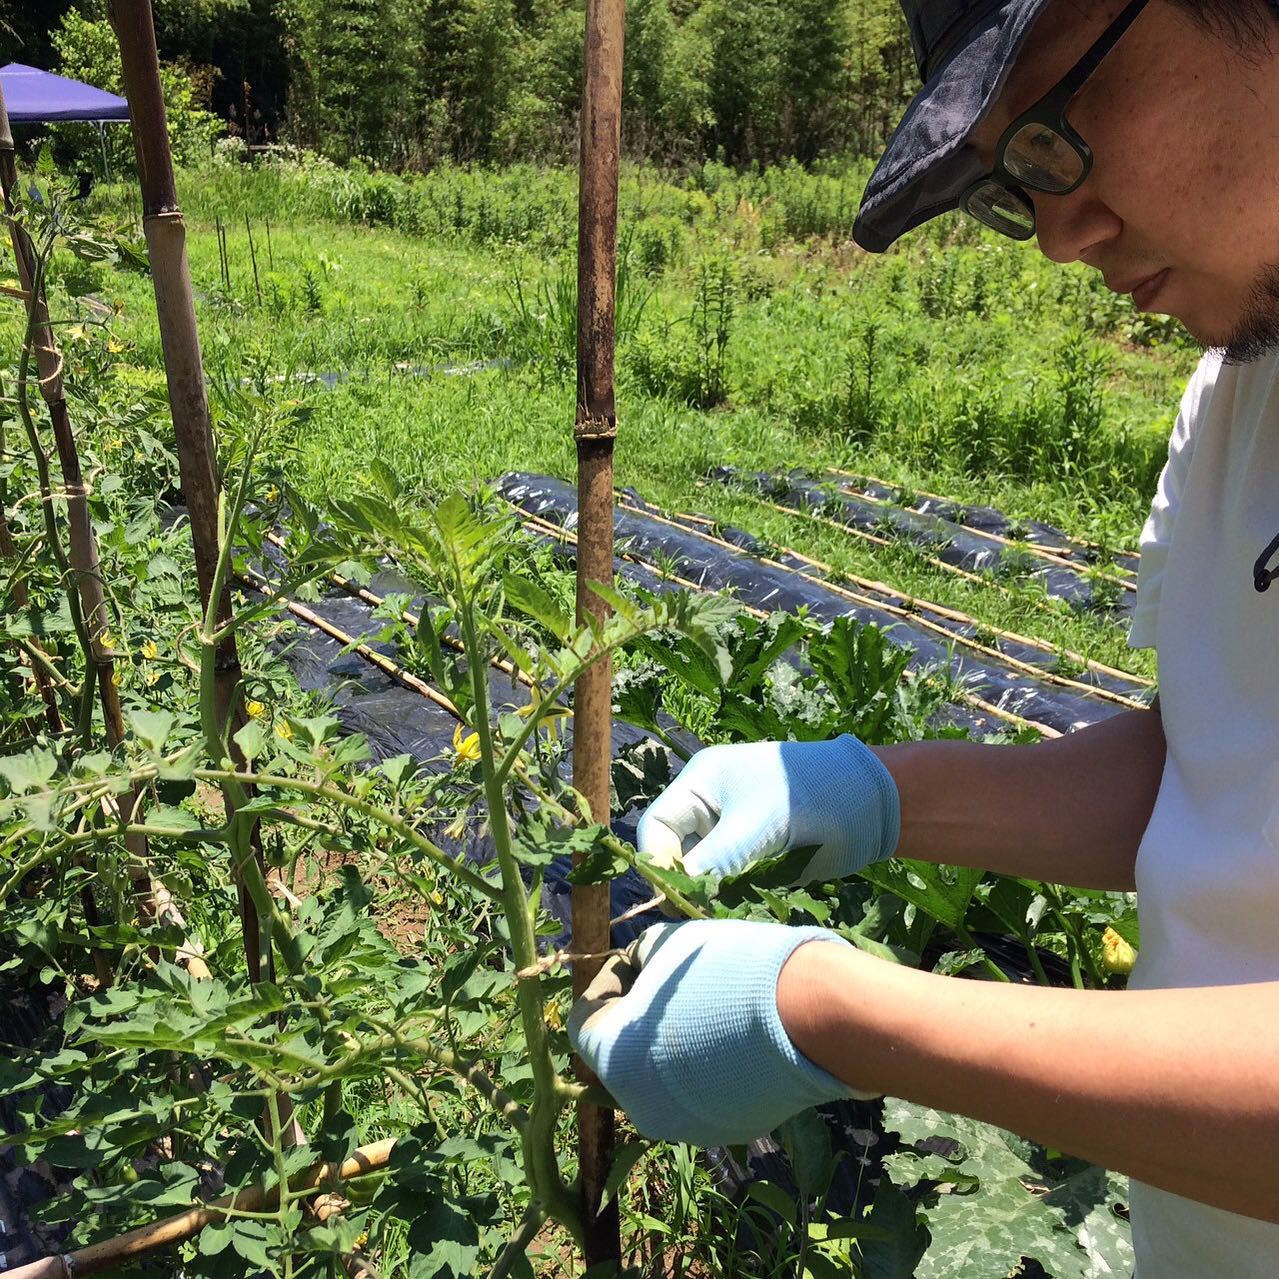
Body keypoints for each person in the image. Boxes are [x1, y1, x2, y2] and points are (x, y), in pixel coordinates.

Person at [567, 2, 1279, 1275]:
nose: (1060, 237)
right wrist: (877, 788)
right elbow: (1224, 772)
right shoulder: (1240, 379)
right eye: (1014, 186)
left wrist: (846, 1016)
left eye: (1058, 133)